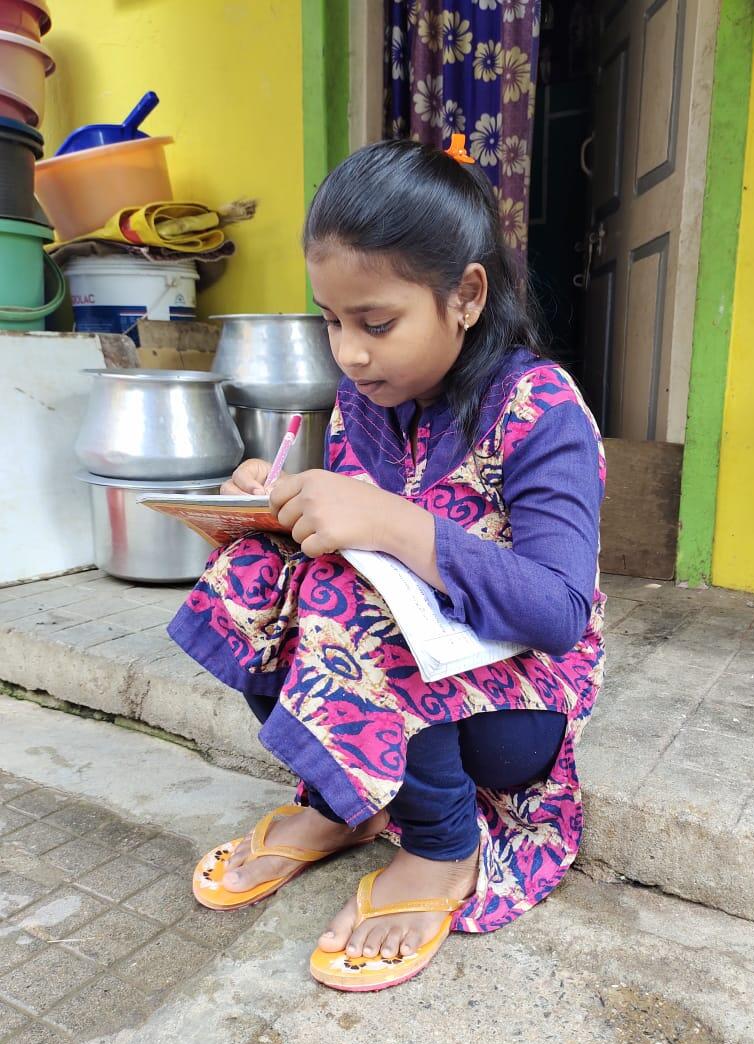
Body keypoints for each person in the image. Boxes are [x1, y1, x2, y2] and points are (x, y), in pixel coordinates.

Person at [168, 137, 606, 993]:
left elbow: (559, 613)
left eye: (376, 324)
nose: (350, 354)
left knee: (352, 581)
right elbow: (343, 545)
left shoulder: (540, 407)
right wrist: (271, 507)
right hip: (414, 676)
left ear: (466, 296)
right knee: (269, 569)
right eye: (331, 321)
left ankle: (441, 846)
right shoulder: (369, 405)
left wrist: (393, 524)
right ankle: (345, 801)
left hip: (517, 706)